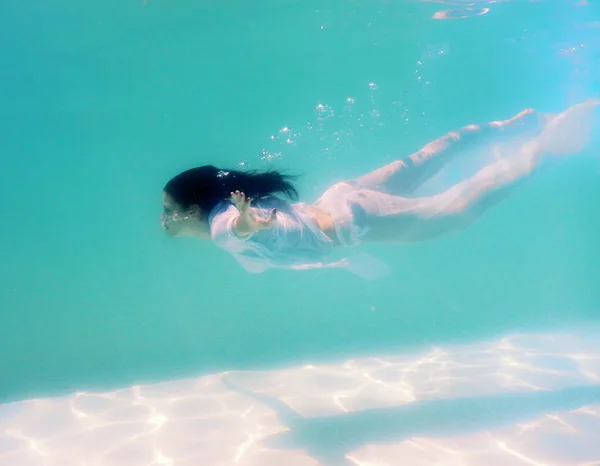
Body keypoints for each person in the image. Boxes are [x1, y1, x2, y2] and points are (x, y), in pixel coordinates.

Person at [161, 99, 598, 276]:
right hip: (341, 197)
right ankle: (514, 125)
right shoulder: (226, 227)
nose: (163, 220)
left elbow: (239, 232)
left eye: (168, 210)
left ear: (193, 210)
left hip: (354, 224)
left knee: (457, 211)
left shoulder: (223, 227)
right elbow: (267, 253)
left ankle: (548, 147)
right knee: (427, 160)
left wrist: (244, 222)